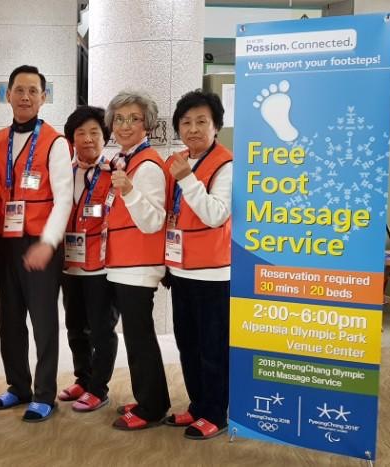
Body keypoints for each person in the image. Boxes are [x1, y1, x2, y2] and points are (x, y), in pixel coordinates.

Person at [0, 65, 73, 423]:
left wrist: (49, 243)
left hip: (40, 243)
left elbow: (64, 198)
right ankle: (18, 385)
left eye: (33, 91)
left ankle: (44, 393)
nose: (25, 97)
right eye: (19, 90)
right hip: (5, 243)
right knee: (9, 319)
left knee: (43, 321)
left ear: (43, 97)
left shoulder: (55, 142)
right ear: (7, 95)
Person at [103, 91, 173, 431]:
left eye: (134, 118)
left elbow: (153, 220)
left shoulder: (147, 165)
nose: (125, 125)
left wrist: (129, 190)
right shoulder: (125, 160)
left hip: (139, 266)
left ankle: (152, 407)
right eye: (119, 118)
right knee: (135, 337)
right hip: (124, 264)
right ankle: (147, 397)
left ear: (147, 124)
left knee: (140, 338)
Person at [165, 89, 233, 440]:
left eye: (201, 122)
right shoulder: (178, 160)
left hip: (214, 273)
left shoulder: (226, 164)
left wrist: (187, 180)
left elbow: (215, 214)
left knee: (213, 348)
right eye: (186, 122)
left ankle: (216, 413)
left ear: (216, 126)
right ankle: (197, 405)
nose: (192, 129)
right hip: (180, 269)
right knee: (187, 344)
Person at [56, 106, 118, 413]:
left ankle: (98, 388)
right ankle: (83, 377)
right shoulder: (63, 174)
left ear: (104, 137)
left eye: (94, 132)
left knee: (102, 330)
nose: (88, 139)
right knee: (74, 327)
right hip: (70, 265)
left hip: (102, 267)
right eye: (81, 133)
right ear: (72, 139)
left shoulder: (115, 173)